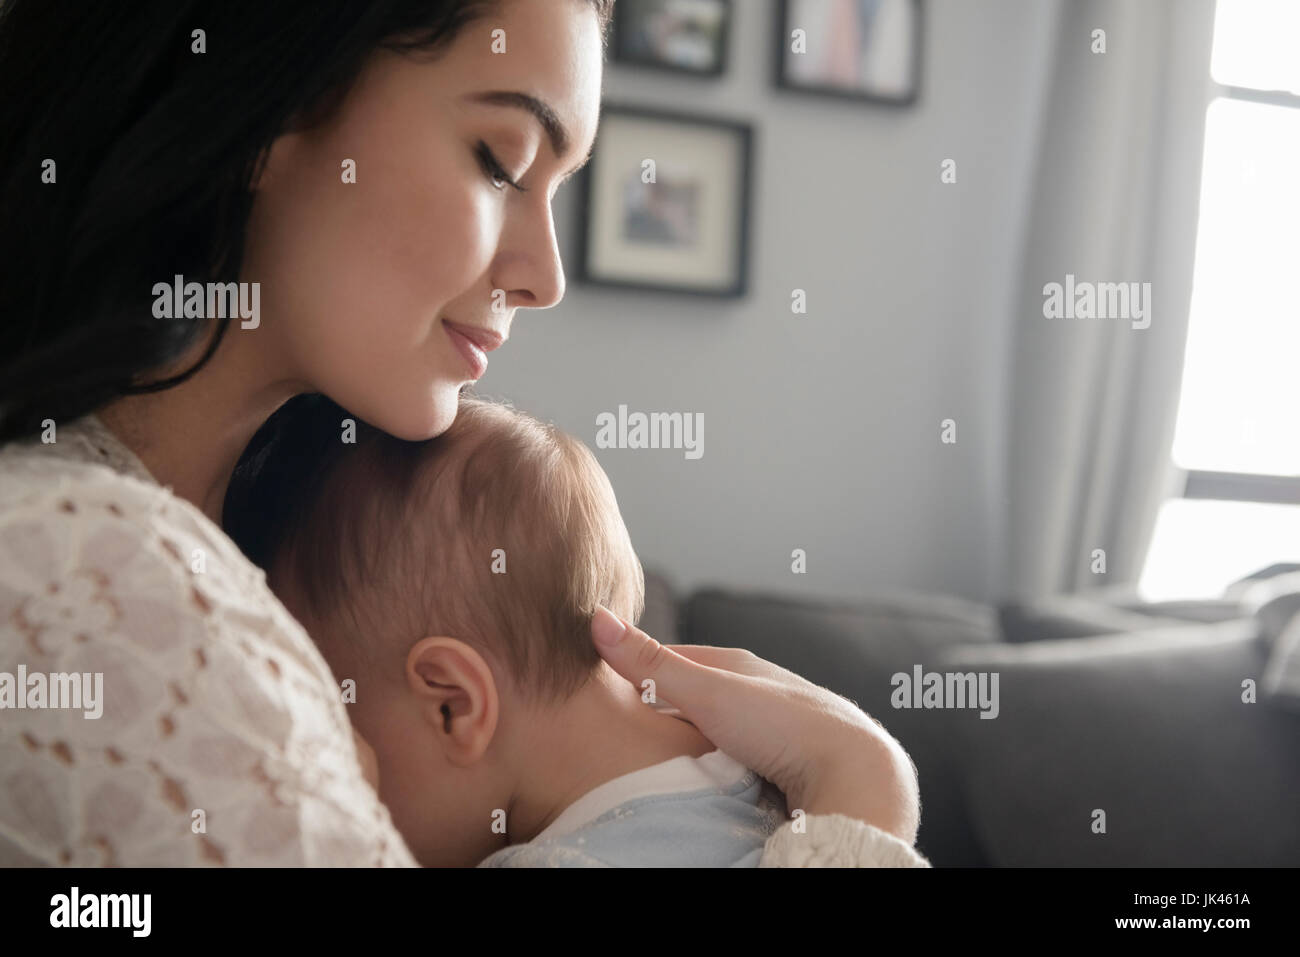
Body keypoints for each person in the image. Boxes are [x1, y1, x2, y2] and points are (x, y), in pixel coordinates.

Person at [0, 0, 926, 867]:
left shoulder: (286, 531)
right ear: (272, 102)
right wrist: (862, 801)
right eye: (500, 159)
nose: (546, 276)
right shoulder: (93, 574)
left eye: (556, 191)